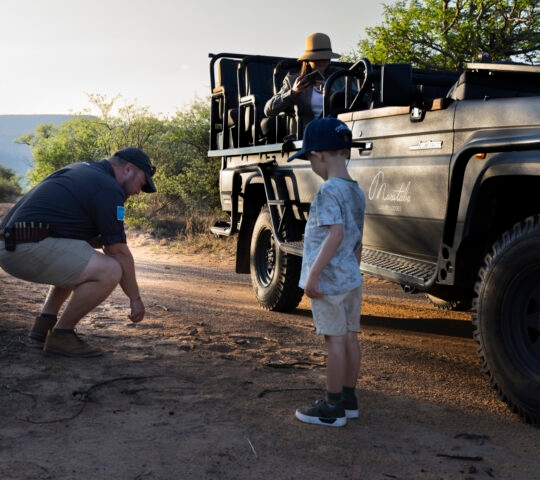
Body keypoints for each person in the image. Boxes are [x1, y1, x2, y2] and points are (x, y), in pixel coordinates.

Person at [0, 147, 157, 358]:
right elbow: (118, 251)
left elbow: (87, 237)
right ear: (128, 169)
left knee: (80, 255)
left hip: (12, 243)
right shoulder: (107, 187)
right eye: (142, 182)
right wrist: (135, 298)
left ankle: (43, 326)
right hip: (24, 247)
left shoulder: (85, 171)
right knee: (110, 270)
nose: (139, 190)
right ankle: (62, 336)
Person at [288, 118, 365, 427]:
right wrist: (353, 270)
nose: (311, 165)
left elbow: (334, 235)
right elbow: (357, 238)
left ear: (319, 154)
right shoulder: (355, 191)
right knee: (349, 337)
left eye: (309, 158)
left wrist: (314, 275)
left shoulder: (328, 191)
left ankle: (332, 407)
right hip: (349, 278)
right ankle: (348, 399)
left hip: (329, 281)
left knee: (333, 340)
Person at [264, 32, 345, 136]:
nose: (321, 61)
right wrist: (293, 92)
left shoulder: (341, 77)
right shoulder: (293, 80)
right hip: (305, 135)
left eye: (324, 57)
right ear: (307, 60)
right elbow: (269, 110)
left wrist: (331, 93)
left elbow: (362, 100)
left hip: (336, 131)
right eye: (316, 58)